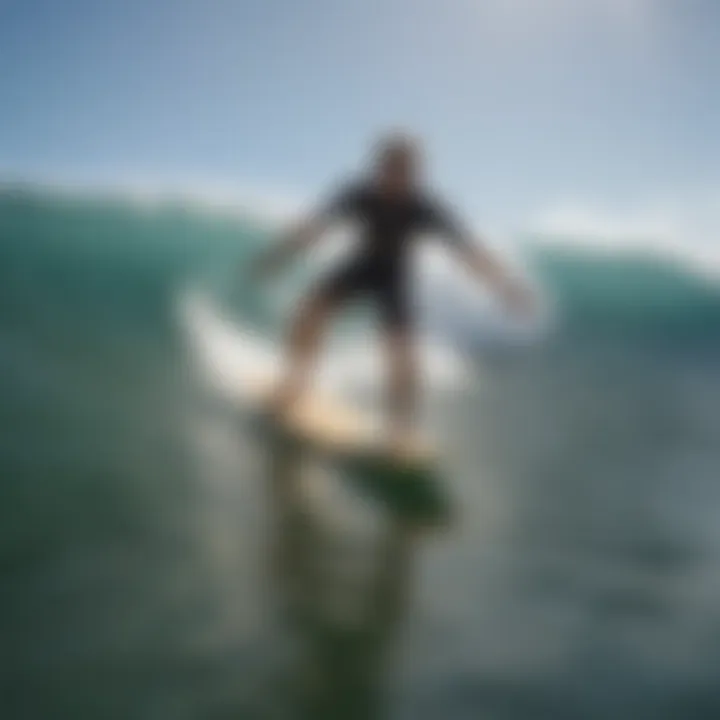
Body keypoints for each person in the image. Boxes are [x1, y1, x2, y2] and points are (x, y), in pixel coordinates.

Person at [253, 132, 534, 454]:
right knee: (309, 312)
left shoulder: (426, 207)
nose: (401, 178)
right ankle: (294, 383)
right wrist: (277, 257)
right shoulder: (358, 194)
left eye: (408, 171)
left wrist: (506, 287)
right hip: (360, 266)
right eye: (394, 169)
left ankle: (401, 429)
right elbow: (314, 228)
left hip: (394, 279)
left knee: (402, 355)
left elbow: (468, 252)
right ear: (380, 168)